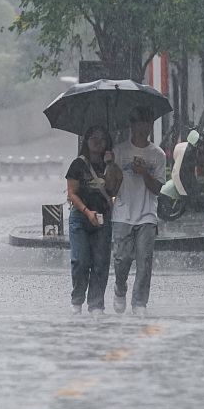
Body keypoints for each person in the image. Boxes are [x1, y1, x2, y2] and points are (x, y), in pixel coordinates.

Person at [109, 106, 166, 315]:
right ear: (132, 126)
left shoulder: (157, 155)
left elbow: (158, 189)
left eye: (147, 124)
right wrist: (113, 168)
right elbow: (111, 186)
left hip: (147, 215)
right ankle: (120, 287)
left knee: (145, 261)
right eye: (139, 124)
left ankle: (140, 302)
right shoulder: (119, 151)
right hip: (123, 213)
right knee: (121, 259)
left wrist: (144, 173)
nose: (143, 129)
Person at [65, 125, 117, 314]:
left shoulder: (109, 164)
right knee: (80, 259)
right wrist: (87, 212)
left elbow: (112, 188)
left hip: (103, 219)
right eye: (93, 138)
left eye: (102, 139)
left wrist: (110, 165)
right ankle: (77, 300)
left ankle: (96, 304)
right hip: (80, 218)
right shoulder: (78, 165)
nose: (97, 142)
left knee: (101, 262)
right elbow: (72, 193)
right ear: (86, 141)